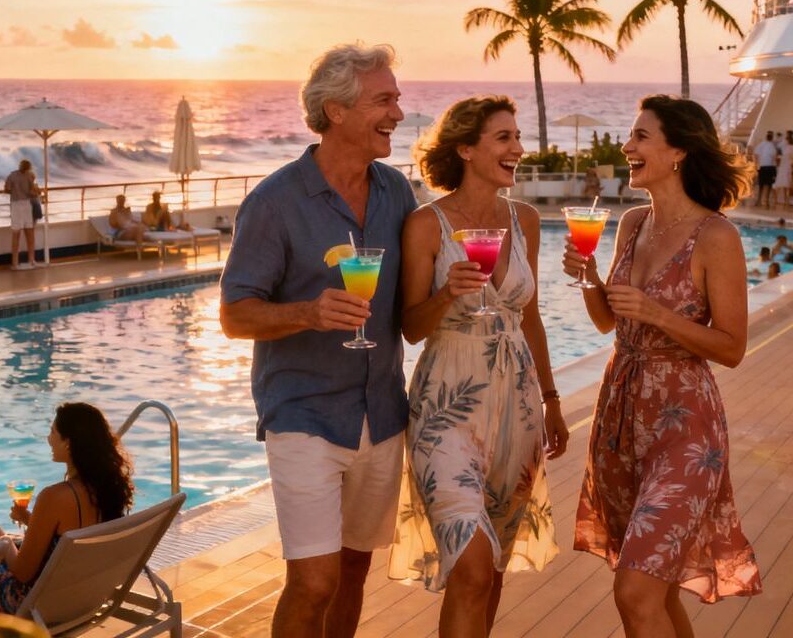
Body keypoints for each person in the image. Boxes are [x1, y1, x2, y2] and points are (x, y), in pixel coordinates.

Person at [219, 43, 417, 638]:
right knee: (312, 582)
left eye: (397, 100)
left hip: (383, 412)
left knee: (354, 569)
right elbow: (234, 315)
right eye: (384, 101)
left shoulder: (396, 192)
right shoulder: (274, 202)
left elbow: (414, 302)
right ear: (336, 110)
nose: (398, 113)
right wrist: (308, 312)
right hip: (304, 414)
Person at [563, 95, 761, 636]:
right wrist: (589, 278)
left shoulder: (716, 236)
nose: (626, 145)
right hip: (620, 418)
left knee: (635, 590)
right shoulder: (632, 222)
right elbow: (608, 322)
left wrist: (656, 313)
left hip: (684, 428)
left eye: (640, 136)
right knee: (657, 592)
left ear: (678, 151)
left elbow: (732, 347)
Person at [389, 96, 568, 637]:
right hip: (447, 408)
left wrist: (552, 401)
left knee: (491, 569)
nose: (518, 148)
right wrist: (448, 293)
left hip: (516, 410)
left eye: (518, 136)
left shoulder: (525, 219)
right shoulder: (427, 225)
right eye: (504, 138)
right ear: (465, 149)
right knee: (469, 566)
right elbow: (410, 327)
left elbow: (530, 318)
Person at [0, 403, 133, 614]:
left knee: (3, 540)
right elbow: (70, 536)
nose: (49, 439)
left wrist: (5, 545)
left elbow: (23, 572)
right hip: (82, 596)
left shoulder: (53, 497)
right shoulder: (107, 490)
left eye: (52, 432)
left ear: (68, 443)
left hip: (32, 604)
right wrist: (29, 519)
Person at [3, 159, 39, 270]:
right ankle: (31, 260)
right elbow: (32, 192)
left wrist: (15, 192)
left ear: (20, 166)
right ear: (29, 167)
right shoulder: (29, 176)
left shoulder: (12, 175)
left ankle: (15, 263)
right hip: (26, 205)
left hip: (15, 205)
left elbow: (6, 189)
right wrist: (37, 192)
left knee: (16, 234)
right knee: (30, 234)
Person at [753, 130, 778, 208]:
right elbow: (774, 158)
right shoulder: (767, 145)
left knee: (765, 185)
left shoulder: (767, 145)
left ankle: (763, 201)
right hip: (767, 167)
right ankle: (762, 201)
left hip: (767, 166)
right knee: (765, 185)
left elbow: (756, 154)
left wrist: (756, 164)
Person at [772, 132, 793, 208]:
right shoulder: (786, 148)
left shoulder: (786, 148)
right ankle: (785, 201)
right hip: (786, 167)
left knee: (783, 185)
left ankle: (779, 201)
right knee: (786, 185)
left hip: (785, 167)